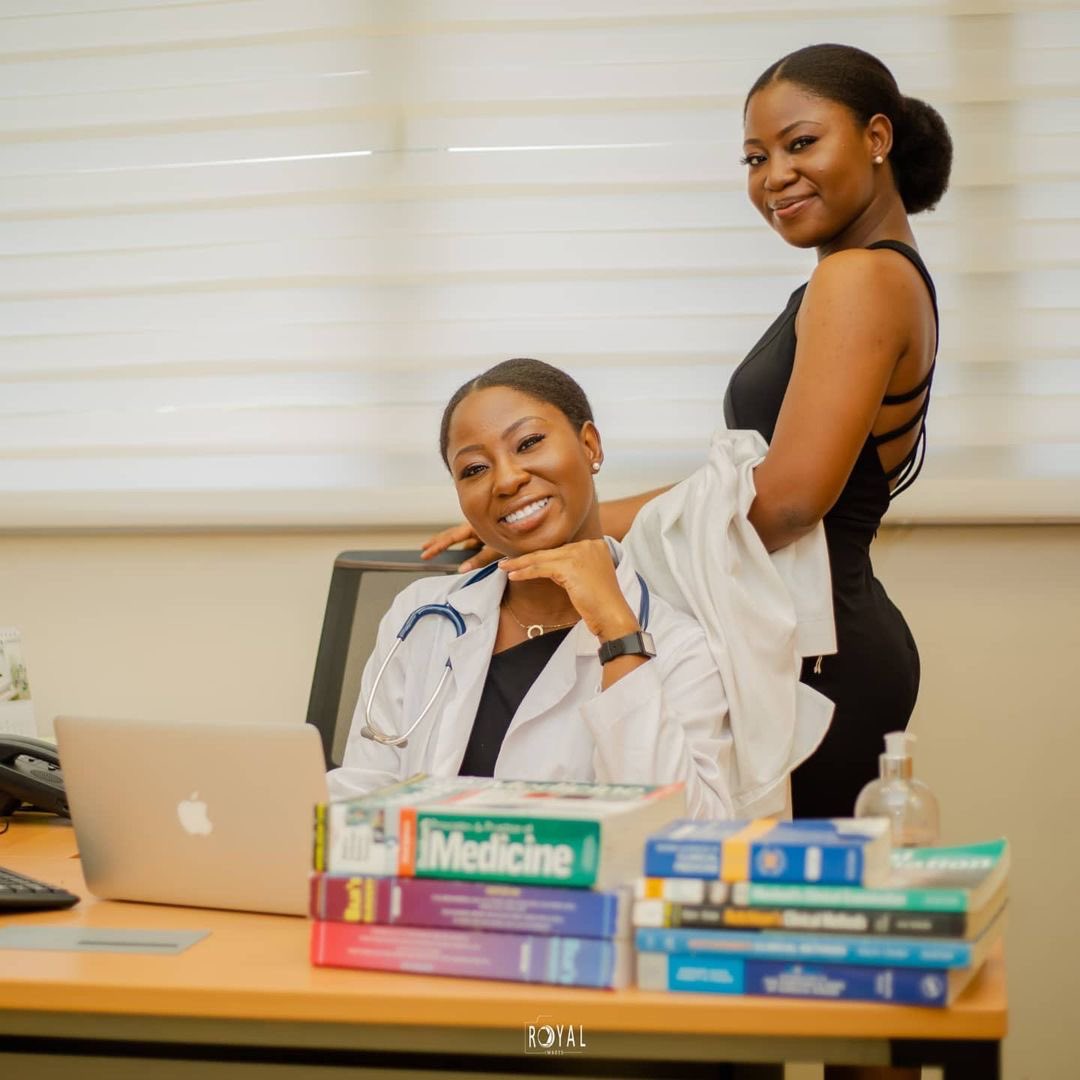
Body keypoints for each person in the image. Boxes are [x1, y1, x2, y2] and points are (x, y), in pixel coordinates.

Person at [424, 44, 951, 824]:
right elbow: (751, 482)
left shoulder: (860, 278)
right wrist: (553, 528)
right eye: (754, 157)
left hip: (817, 650)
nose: (774, 176)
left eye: (801, 143)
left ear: (877, 137)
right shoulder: (870, 275)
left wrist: (588, 554)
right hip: (818, 627)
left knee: (774, 916)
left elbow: (787, 501)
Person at [329, 358, 737, 818]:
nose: (505, 480)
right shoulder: (422, 614)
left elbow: (683, 831)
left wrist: (618, 635)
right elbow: (365, 792)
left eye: (528, 443)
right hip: (428, 884)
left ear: (590, 445)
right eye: (474, 469)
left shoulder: (680, 646)